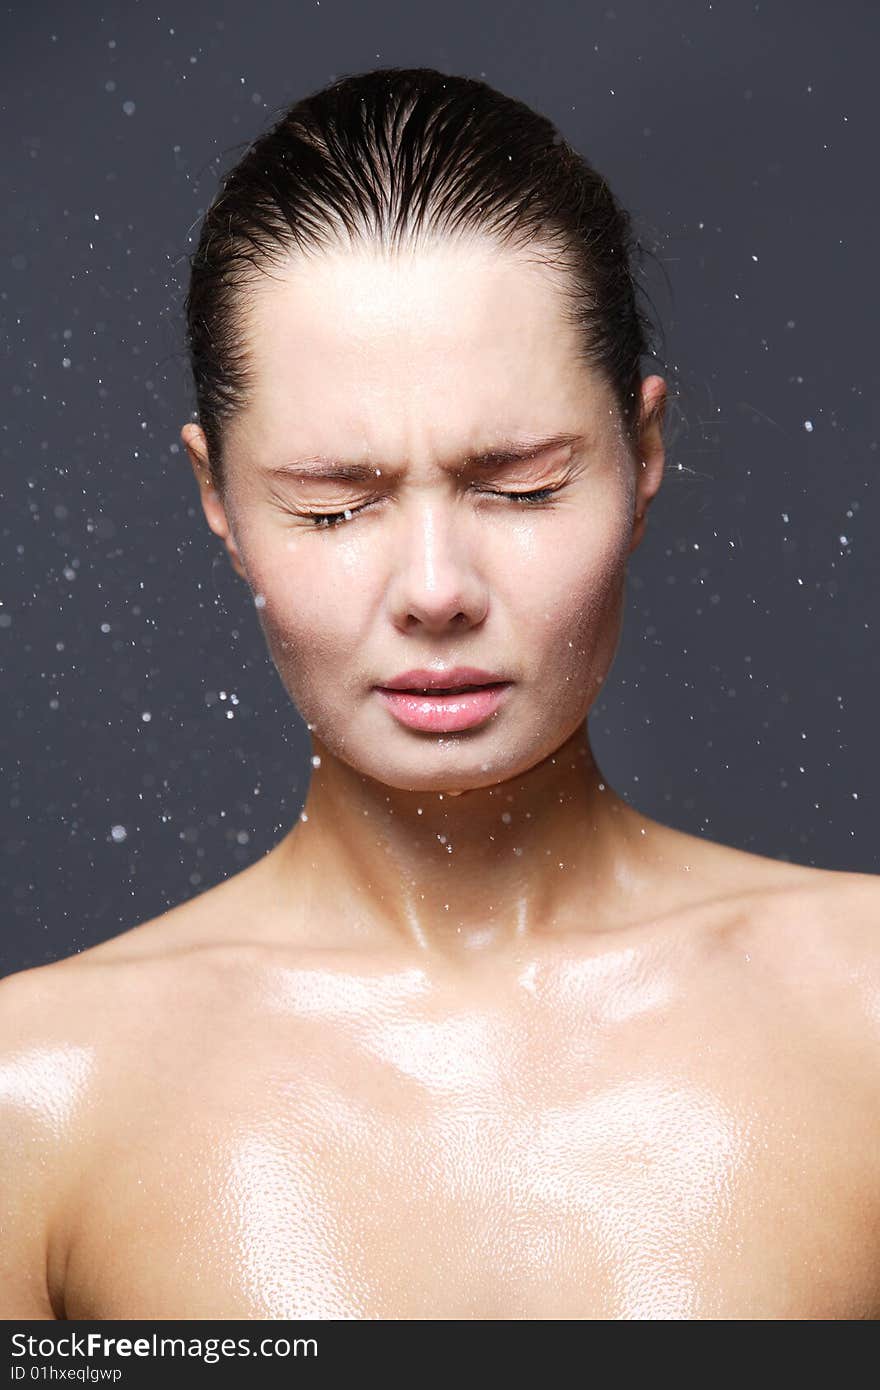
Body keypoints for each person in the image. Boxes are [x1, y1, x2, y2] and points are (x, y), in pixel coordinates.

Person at [2, 66, 878, 1323]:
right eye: (332, 504)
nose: (433, 589)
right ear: (220, 502)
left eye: (518, 486)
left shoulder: (866, 1019)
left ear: (643, 457)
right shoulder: (36, 1099)